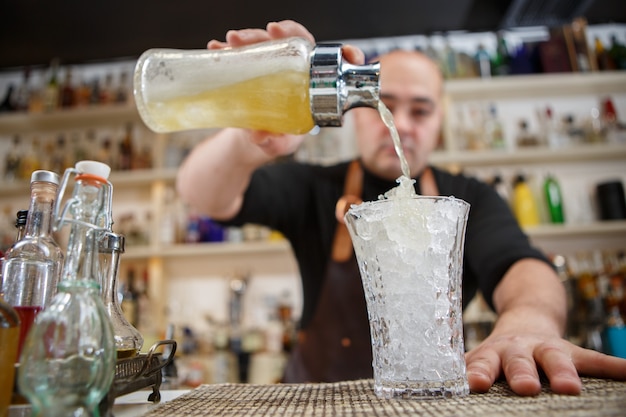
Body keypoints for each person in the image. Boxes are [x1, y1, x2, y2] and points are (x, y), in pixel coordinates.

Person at [176, 20, 626, 395]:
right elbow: (202, 195)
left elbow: (521, 264)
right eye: (384, 105)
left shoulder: (467, 195)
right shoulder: (316, 185)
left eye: (421, 110)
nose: (403, 125)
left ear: (440, 121)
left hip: (427, 397)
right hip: (315, 400)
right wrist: (251, 137)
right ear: (356, 107)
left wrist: (527, 321)